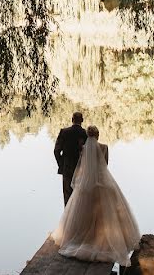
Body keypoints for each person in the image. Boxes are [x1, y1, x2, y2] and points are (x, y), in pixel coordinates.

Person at [51, 126, 141, 266]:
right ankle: (107, 240)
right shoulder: (104, 147)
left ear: (88, 135)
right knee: (110, 208)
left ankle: (83, 239)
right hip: (102, 182)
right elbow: (105, 165)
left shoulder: (83, 149)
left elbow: (82, 168)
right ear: (98, 135)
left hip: (87, 184)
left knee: (81, 210)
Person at [54, 112, 87, 205]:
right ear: (82, 120)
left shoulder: (64, 132)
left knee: (68, 199)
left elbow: (56, 151)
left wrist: (62, 165)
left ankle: (67, 219)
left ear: (72, 119)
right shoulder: (85, 134)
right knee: (80, 200)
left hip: (67, 168)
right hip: (81, 169)